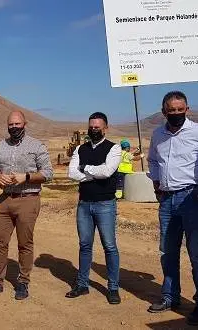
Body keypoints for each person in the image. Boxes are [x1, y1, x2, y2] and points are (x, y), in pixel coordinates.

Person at [147, 91, 198, 325]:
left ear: (187, 110)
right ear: (164, 112)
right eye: (172, 110)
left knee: (197, 255)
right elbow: (152, 160)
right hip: (167, 201)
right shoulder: (157, 134)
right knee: (167, 252)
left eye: (181, 110)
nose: (177, 114)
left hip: (193, 198)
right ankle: (170, 296)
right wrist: (156, 183)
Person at [0, 110, 53, 300]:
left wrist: (25, 177)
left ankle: (23, 283)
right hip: (5, 199)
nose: (14, 127)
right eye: (11, 124)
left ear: (24, 124)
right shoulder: (1, 145)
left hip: (28, 198)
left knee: (25, 243)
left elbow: (48, 173)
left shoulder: (36, 145)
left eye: (17, 124)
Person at [66, 112, 122, 304]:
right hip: (84, 204)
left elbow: (107, 172)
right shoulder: (81, 148)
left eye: (97, 127)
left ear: (106, 127)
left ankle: (113, 288)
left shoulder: (114, 148)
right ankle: (82, 285)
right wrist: (93, 172)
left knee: (109, 246)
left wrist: (85, 169)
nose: (94, 129)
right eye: (91, 126)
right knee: (85, 245)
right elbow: (71, 173)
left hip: (105, 204)